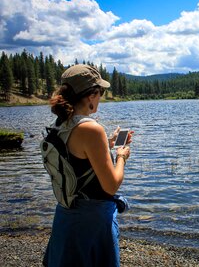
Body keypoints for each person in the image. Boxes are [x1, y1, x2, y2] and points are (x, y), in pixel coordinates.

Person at [43, 64, 133, 267]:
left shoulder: (60, 124)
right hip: (92, 219)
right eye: (100, 92)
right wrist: (120, 156)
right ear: (91, 95)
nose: (101, 96)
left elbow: (75, 159)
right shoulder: (91, 129)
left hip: (65, 216)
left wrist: (107, 146)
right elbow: (111, 186)